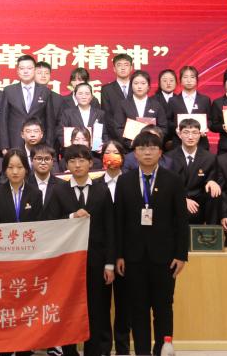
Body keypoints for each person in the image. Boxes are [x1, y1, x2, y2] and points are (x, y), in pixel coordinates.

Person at [114, 131, 188, 356]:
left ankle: (163, 351)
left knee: (163, 307)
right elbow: (119, 221)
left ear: (160, 152)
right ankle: (143, 352)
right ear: (134, 153)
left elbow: (181, 220)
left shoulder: (173, 180)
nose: (147, 152)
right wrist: (119, 254)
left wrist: (181, 255)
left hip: (165, 257)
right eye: (142, 148)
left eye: (152, 148)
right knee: (138, 309)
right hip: (133, 257)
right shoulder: (124, 181)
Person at [51, 145, 116, 356]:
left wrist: (109, 263)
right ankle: (69, 351)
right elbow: (48, 223)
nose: (77, 165)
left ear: (90, 163)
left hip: (97, 259)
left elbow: (110, 228)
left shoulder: (102, 190)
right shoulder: (59, 190)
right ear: (66, 165)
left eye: (81, 160)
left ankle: (97, 351)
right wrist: (71, 217)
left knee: (98, 308)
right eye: (72, 161)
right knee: (69, 307)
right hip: (67, 262)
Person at [100, 139, 130, 356]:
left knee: (124, 304)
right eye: (107, 152)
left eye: (116, 152)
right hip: (101, 253)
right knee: (101, 305)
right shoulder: (95, 184)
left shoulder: (130, 183)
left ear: (123, 157)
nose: (112, 156)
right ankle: (103, 348)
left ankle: (122, 348)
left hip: (126, 252)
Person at [164, 118, 221, 225]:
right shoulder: (169, 158)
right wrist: (182, 200)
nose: (190, 137)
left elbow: (212, 177)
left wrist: (212, 181)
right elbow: (167, 185)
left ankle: (211, 230)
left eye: (195, 133)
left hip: (199, 201)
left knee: (215, 192)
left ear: (200, 134)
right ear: (179, 134)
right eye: (186, 132)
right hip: (177, 200)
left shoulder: (209, 158)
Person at [0, 55, 52, 152]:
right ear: (17, 71)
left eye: (29, 68)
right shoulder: (9, 90)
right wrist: (4, 146)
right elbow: (3, 120)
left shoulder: (45, 91)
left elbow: (49, 121)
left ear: (35, 70)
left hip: (39, 143)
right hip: (15, 140)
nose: (26, 71)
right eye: (22, 68)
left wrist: (48, 145)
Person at [110, 71, 168, 145]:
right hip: (129, 147)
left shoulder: (156, 105)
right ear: (131, 86)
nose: (139, 86)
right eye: (136, 83)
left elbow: (163, 127)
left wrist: (154, 140)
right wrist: (130, 143)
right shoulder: (122, 105)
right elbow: (118, 128)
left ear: (148, 86)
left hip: (152, 146)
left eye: (143, 83)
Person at [0, 149, 41, 223]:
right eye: (10, 167)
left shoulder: (36, 193)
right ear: (5, 170)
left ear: (26, 169)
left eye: (20, 167)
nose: (15, 172)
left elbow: (39, 223)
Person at [167, 65, 213, 151]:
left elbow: (210, 119)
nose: (189, 80)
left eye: (192, 77)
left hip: (201, 143)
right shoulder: (173, 100)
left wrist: (206, 128)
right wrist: (176, 129)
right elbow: (168, 121)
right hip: (179, 143)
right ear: (180, 80)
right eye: (185, 77)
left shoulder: (205, 100)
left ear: (196, 80)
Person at [59, 82, 106, 150]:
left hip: (94, 152)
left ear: (91, 96)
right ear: (75, 96)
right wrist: (70, 148)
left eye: (87, 94)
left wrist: (101, 146)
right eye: (80, 93)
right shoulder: (67, 113)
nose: (84, 97)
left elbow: (105, 134)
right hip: (73, 151)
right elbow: (61, 133)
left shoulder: (100, 114)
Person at [100, 53, 135, 118]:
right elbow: (106, 114)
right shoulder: (107, 89)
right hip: (114, 124)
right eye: (119, 65)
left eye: (126, 65)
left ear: (131, 68)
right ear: (114, 69)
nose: (123, 68)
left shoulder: (136, 87)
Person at [29, 145, 59, 211]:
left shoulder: (62, 185)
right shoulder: (24, 184)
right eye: (39, 159)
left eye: (47, 159)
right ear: (31, 161)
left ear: (52, 161)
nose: (43, 163)